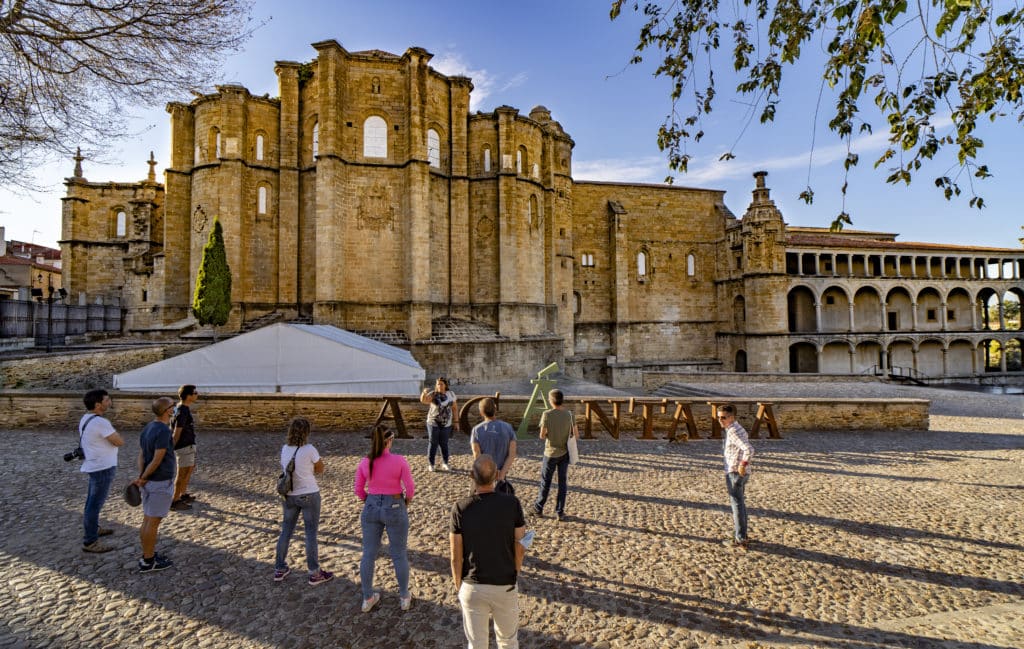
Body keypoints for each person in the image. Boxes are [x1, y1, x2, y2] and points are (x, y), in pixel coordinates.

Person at [450, 455, 527, 649]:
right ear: (497, 476)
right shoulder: (512, 504)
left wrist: (458, 585)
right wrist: (516, 569)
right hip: (504, 582)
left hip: (472, 585)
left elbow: (455, 556)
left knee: (476, 644)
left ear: (471, 476)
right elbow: (521, 544)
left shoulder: (460, 508)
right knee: (508, 641)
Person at [354, 425, 415, 612]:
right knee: (398, 554)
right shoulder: (399, 461)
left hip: (372, 505)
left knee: (368, 554)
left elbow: (358, 489)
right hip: (395, 505)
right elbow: (410, 488)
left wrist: (369, 500)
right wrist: (406, 502)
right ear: (389, 441)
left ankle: (367, 597)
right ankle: (404, 596)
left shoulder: (366, 462)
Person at [274, 417, 334, 586]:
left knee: (286, 530)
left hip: (290, 495)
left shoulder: (285, 448)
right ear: (307, 432)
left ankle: (279, 568)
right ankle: (314, 572)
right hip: (309, 493)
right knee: (310, 533)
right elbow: (320, 468)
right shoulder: (309, 449)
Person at [131, 397, 177, 572]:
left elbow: (142, 455)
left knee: (147, 519)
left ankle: (147, 554)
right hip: (159, 481)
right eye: (173, 406)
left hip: (149, 480)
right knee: (153, 522)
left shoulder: (148, 427)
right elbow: (158, 458)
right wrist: (145, 477)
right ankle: (148, 560)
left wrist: (142, 476)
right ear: (168, 411)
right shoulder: (164, 431)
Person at [79, 389, 124, 553]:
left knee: (91, 502)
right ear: (98, 405)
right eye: (107, 400)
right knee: (94, 504)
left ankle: (94, 528)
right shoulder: (101, 422)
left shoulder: (85, 419)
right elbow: (119, 441)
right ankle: (90, 541)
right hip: (102, 467)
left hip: (94, 465)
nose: (109, 402)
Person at [530, 389, 578, 521]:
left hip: (551, 453)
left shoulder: (547, 414)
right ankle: (559, 511)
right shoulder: (569, 415)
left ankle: (538, 508)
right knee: (562, 483)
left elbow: (541, 435)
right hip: (565, 453)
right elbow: (576, 435)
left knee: (545, 482)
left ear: (551, 401)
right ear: (562, 399)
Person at [718, 404, 754, 548]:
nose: (720, 420)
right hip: (741, 473)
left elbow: (749, 449)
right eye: (718, 417)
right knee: (740, 504)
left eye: (723, 418)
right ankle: (742, 534)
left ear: (732, 417)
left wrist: (742, 464)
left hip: (735, 473)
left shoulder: (733, 431)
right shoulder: (737, 428)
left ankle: (740, 538)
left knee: (737, 505)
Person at [470, 398, 517, 489]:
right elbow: (512, 454)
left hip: (484, 474)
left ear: (481, 412)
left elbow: (477, 455)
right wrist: (501, 475)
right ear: (495, 410)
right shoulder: (508, 427)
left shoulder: (477, 430)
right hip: (501, 473)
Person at [170, 384, 200, 511]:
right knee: (182, 472)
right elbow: (177, 430)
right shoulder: (183, 410)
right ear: (188, 396)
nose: (197, 394)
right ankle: (175, 500)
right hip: (184, 446)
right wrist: (171, 446)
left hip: (188, 445)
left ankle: (182, 494)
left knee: (189, 468)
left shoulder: (179, 407)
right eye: (195, 393)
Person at [420, 377, 458, 472]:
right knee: (433, 443)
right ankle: (431, 464)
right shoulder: (433, 395)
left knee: (444, 444)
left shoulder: (451, 394)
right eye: (438, 384)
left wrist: (456, 422)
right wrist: (424, 393)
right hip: (433, 423)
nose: (439, 386)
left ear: (445, 385)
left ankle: (445, 463)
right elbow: (423, 401)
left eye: (441, 384)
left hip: (446, 424)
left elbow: (454, 408)